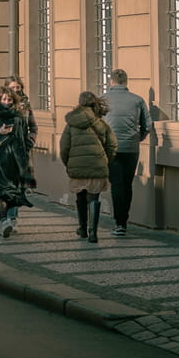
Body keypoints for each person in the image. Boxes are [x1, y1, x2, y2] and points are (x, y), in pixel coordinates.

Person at [0, 86, 36, 238]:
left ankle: (10, 219)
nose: (6, 102)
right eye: (3, 99)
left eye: (9, 100)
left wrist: (26, 150)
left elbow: (24, 136)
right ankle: (4, 221)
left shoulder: (19, 115)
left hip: (15, 160)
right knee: (2, 192)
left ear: (14, 100)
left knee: (13, 190)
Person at [60, 90, 117, 244]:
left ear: (79, 103)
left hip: (77, 167)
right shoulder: (100, 123)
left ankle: (83, 228)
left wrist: (68, 163)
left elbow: (64, 147)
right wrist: (106, 160)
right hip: (97, 166)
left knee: (80, 198)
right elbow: (112, 144)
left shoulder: (71, 124)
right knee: (94, 198)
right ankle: (93, 233)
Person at [102, 68, 150, 234]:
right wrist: (138, 138)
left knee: (116, 185)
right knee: (127, 184)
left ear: (111, 81)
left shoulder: (103, 100)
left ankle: (119, 223)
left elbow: (95, 124)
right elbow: (147, 125)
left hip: (111, 147)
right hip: (131, 147)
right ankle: (124, 221)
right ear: (126, 82)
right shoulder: (138, 100)